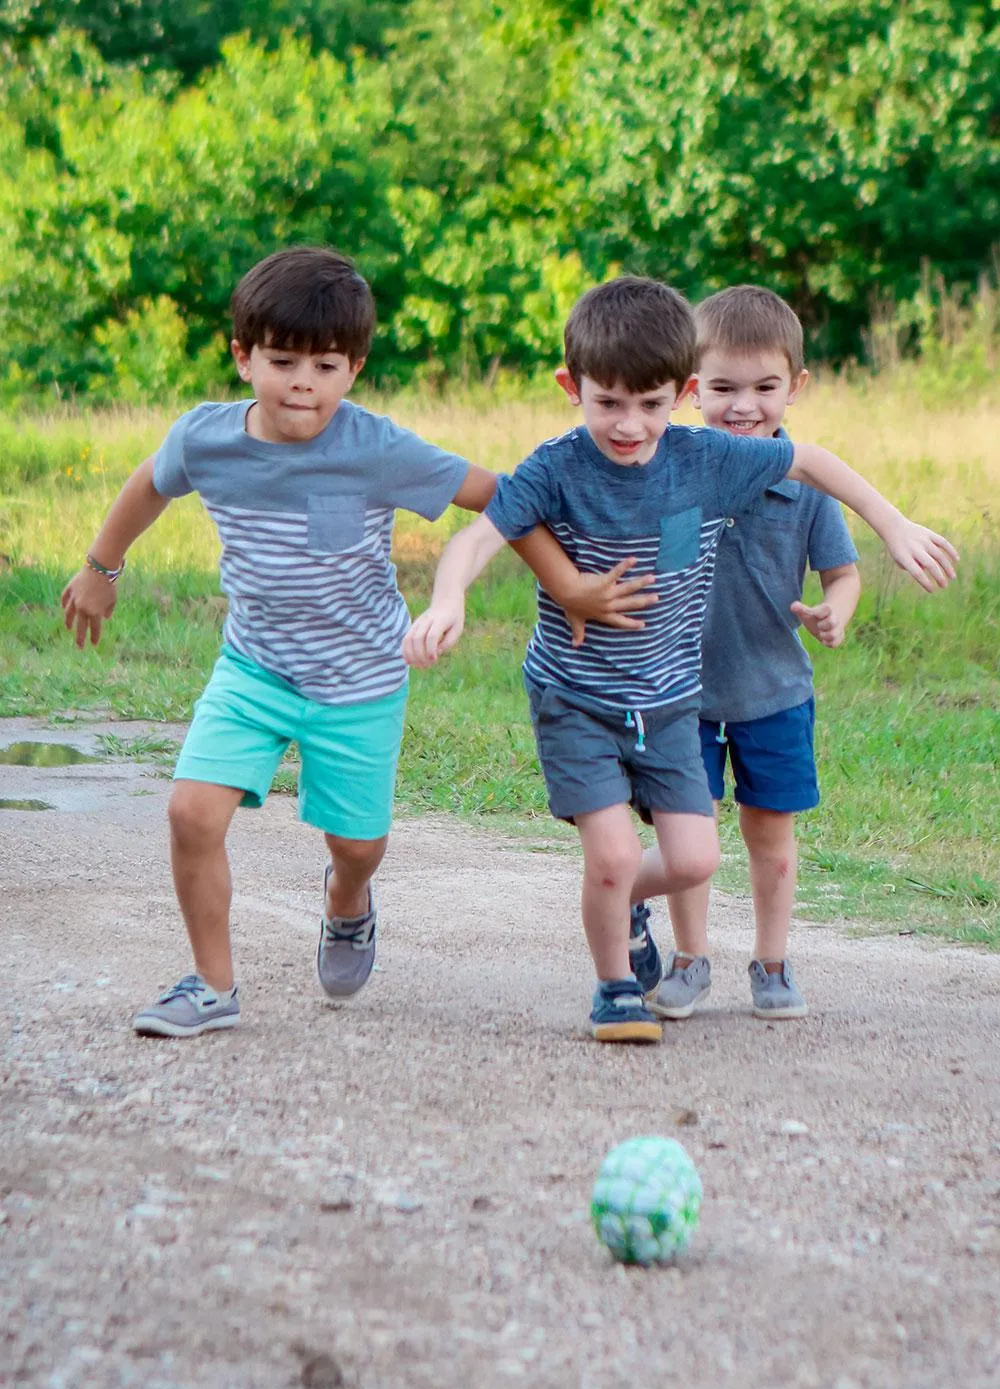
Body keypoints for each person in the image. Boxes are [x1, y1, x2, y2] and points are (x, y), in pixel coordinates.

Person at [60, 246, 641, 1038]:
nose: (304, 381)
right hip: (253, 669)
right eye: (282, 360)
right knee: (192, 813)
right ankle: (211, 984)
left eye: (326, 365)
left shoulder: (377, 449)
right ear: (242, 358)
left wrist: (568, 583)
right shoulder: (205, 439)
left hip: (361, 680)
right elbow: (148, 483)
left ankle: (347, 899)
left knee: (358, 845)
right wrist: (102, 566)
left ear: (354, 368)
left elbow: (501, 497)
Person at [403, 276, 957, 1045]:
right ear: (574, 388)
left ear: (682, 392)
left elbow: (814, 462)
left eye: (652, 403)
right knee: (615, 849)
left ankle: (616, 895)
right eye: (609, 403)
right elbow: (476, 536)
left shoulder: (707, 458)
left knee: (694, 859)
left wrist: (893, 526)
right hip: (576, 695)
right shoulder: (555, 467)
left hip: (668, 699)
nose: (630, 425)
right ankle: (614, 987)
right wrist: (448, 599)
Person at [626, 285, 861, 1021]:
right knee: (686, 834)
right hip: (682, 693)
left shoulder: (809, 489)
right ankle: (691, 959)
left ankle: (773, 961)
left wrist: (835, 613)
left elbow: (843, 573)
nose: (743, 406)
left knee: (771, 835)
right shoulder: (676, 476)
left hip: (775, 692)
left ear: (796, 388)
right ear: (693, 389)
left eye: (764, 388)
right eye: (723, 388)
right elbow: (652, 570)